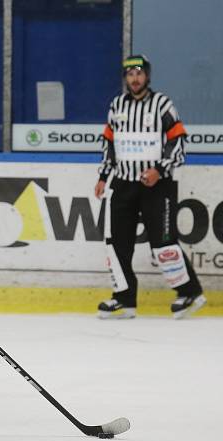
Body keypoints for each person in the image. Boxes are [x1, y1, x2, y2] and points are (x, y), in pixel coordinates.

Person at [94, 55, 205, 320]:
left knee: (163, 243)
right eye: (130, 74)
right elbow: (109, 144)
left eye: (139, 73)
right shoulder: (117, 106)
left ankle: (189, 293)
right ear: (126, 78)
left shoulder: (162, 104)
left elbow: (178, 142)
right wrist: (103, 176)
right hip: (123, 184)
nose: (135, 78)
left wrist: (159, 170)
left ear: (147, 76)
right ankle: (124, 299)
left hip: (157, 185)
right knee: (118, 243)